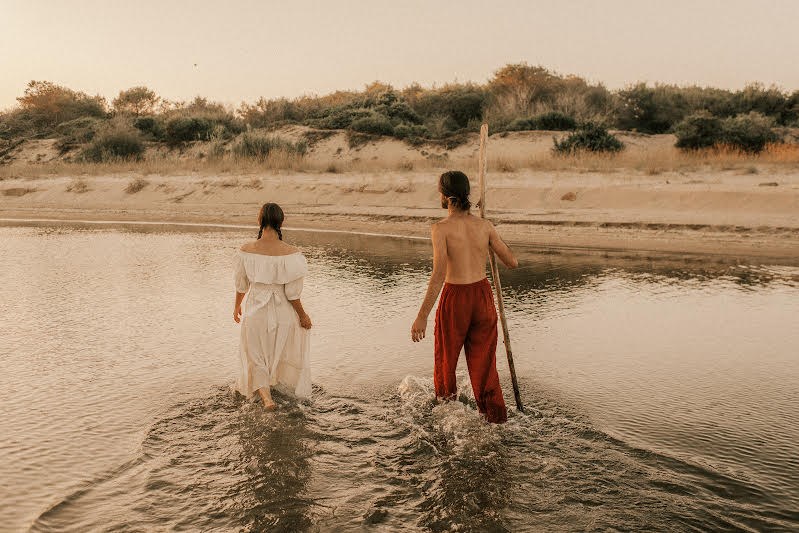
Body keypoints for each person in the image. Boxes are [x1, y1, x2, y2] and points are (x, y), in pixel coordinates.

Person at [411, 171, 519, 423]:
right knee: (485, 364)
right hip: (482, 296)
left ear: (447, 197)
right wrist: (490, 230)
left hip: (455, 297)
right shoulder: (485, 225)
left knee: (446, 362)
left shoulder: (440, 229)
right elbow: (512, 262)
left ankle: (446, 415)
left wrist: (421, 316)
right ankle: (494, 418)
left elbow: (438, 275)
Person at [233, 202, 313, 409]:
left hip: (255, 310)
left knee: (256, 355)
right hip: (283, 312)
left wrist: (236, 307)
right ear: (281, 222)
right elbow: (292, 294)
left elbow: (241, 285)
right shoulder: (292, 254)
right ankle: (279, 392)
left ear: (259, 221)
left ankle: (266, 398)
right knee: (277, 353)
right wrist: (303, 316)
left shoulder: (246, 250)